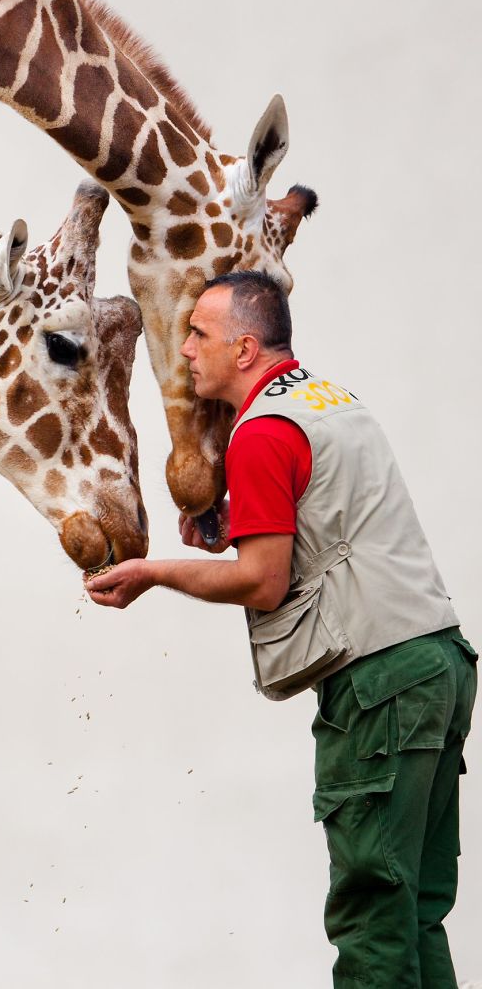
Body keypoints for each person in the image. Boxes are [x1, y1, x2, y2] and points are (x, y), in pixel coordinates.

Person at [85, 270, 477, 989]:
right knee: (417, 909)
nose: (186, 350)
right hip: (439, 660)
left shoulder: (261, 432)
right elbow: (334, 518)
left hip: (381, 683)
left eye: (198, 333)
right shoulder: (329, 401)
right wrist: (232, 523)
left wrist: (155, 572)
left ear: (244, 348)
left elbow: (262, 580)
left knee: (372, 916)